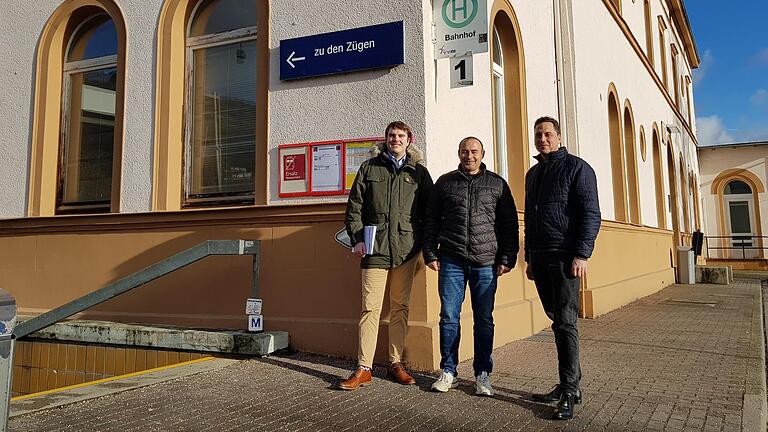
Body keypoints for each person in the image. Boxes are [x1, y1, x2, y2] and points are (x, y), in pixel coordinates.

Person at [340, 121, 433, 390]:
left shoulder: (419, 173)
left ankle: (395, 364)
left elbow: (429, 212)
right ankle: (363, 368)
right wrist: (357, 238)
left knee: (400, 308)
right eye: (391, 135)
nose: (396, 139)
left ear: (409, 139)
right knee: (370, 308)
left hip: (406, 250)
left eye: (400, 136)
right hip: (374, 249)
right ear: (386, 139)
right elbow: (354, 206)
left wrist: (425, 245)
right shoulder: (369, 168)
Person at [423, 136, 518, 397]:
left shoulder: (497, 184)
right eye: (465, 151)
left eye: (474, 151)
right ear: (459, 153)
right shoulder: (445, 183)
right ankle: (449, 371)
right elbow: (431, 219)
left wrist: (508, 257)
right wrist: (430, 252)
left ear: (483, 153)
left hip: (486, 262)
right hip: (451, 259)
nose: (470, 156)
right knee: (449, 318)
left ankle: (482, 374)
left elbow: (509, 224)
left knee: (484, 320)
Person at [525, 116, 601, 420]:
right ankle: (571, 383)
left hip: (566, 257)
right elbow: (531, 219)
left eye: (547, 134)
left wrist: (582, 254)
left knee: (567, 322)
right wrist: (529, 256)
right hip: (540, 258)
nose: (542, 139)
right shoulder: (533, 174)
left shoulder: (577, 167)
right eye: (538, 135)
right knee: (557, 320)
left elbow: (590, 213)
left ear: (558, 137)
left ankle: (569, 390)